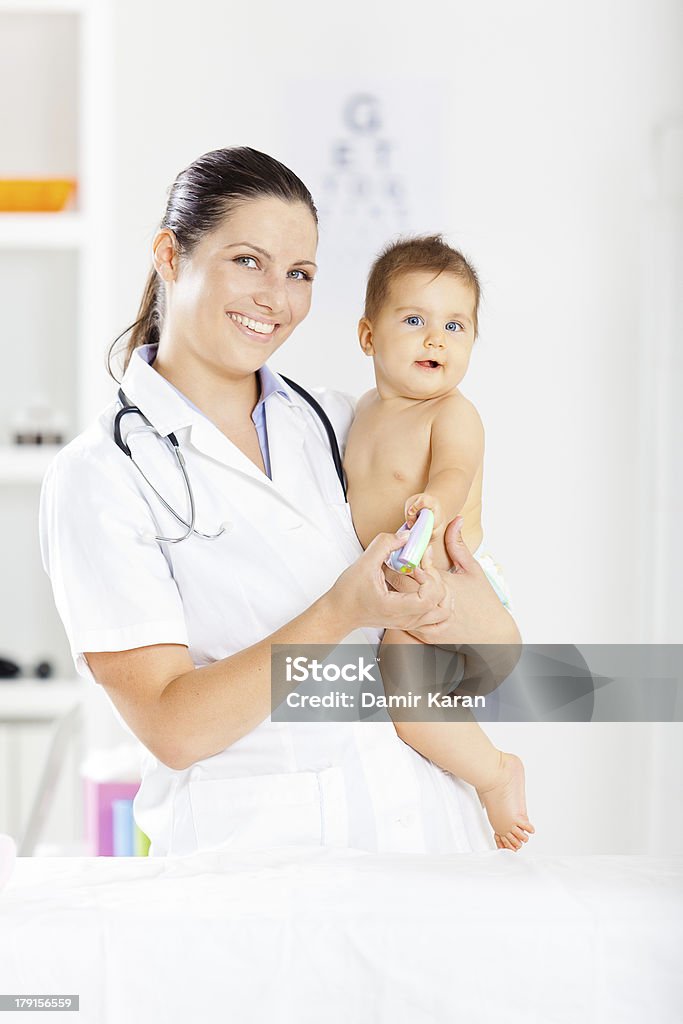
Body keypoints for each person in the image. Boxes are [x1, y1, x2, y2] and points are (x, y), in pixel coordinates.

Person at [39, 147, 520, 858]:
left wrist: (451, 605)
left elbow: (492, 657)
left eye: (299, 274)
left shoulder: (346, 424)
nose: (276, 297)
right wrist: (340, 613)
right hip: (259, 871)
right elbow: (174, 728)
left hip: (434, 847)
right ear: (169, 255)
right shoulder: (101, 474)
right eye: (247, 261)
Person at [344, 235, 534, 852]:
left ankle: (496, 773)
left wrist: (436, 503)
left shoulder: (452, 413)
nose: (437, 339)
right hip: (402, 585)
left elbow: (454, 470)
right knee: (410, 697)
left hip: (446, 577)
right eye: (415, 320)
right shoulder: (363, 411)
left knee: (411, 707)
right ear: (369, 336)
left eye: (456, 325)